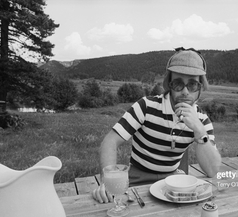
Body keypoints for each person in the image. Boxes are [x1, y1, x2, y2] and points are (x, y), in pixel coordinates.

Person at [93, 48, 221, 203]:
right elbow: (110, 141)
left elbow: (212, 170)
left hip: (172, 180)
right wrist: (108, 180)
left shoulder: (202, 120)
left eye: (192, 85)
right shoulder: (146, 106)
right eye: (178, 84)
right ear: (169, 84)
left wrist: (199, 131)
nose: (185, 92)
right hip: (136, 177)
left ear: (200, 87)